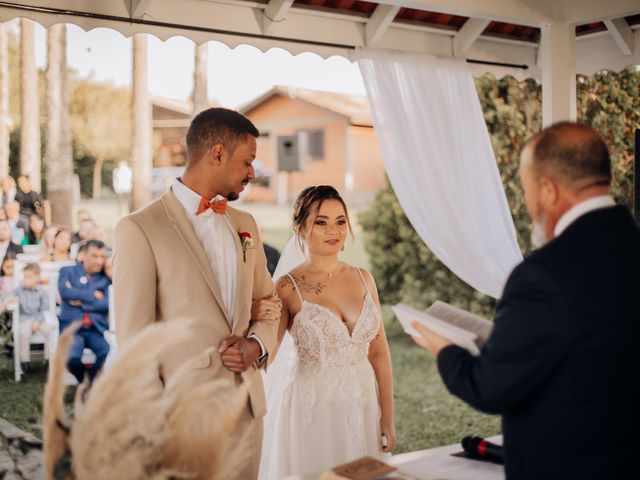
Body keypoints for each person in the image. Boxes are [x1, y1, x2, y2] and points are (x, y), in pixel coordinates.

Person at [411, 122, 640, 480]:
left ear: (548, 190)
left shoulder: (544, 275)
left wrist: (445, 349)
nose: (529, 204)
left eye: (527, 189)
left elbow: (489, 387)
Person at [113, 107, 281, 480]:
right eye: (248, 161)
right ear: (217, 154)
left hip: (246, 413)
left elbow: (269, 304)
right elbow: (133, 342)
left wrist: (255, 346)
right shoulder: (140, 229)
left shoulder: (245, 224)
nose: (253, 173)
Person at [260, 185, 395, 479]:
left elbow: (380, 352)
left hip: (363, 401)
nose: (333, 230)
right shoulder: (286, 286)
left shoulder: (364, 278)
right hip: (313, 407)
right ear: (301, 227)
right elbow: (266, 355)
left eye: (340, 221)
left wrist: (388, 417)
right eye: (321, 221)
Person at [58, 239, 111, 384]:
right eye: (95, 256)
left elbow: (106, 304)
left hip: (95, 328)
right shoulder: (67, 271)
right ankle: (86, 382)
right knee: (71, 358)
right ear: (84, 255)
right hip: (72, 328)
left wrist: (80, 301)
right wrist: (93, 295)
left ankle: (90, 383)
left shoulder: (104, 279)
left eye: (102, 257)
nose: (99, 261)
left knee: (107, 352)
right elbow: (65, 293)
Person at [14, 262, 50, 374]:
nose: (26, 280)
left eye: (29, 277)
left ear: (37, 277)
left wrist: (38, 321)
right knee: (23, 333)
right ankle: (25, 361)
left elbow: (44, 308)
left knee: (49, 331)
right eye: (25, 277)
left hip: (38, 318)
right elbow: (9, 296)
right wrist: (10, 300)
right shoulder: (19, 290)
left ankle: (48, 359)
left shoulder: (42, 291)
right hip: (24, 318)